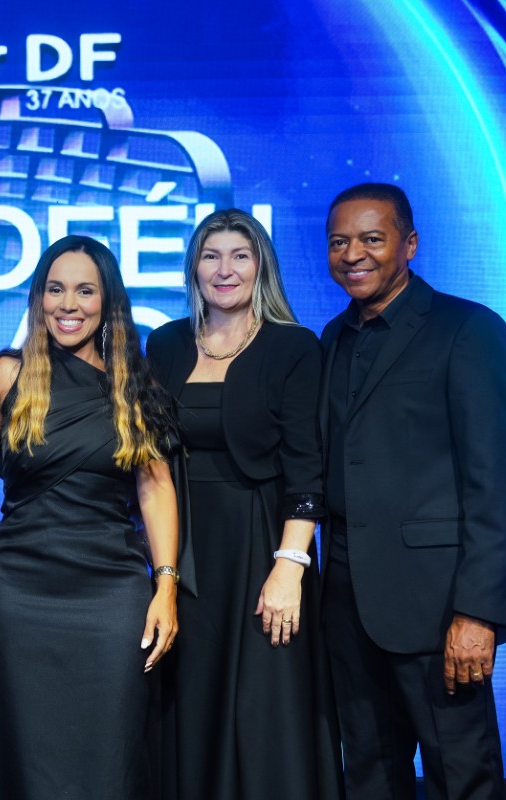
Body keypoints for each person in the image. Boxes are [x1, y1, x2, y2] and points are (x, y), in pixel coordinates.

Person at [319, 183, 506, 799]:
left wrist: (478, 612)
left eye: (371, 239)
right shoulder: (331, 338)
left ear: (409, 244)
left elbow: (498, 483)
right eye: (338, 242)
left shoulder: (468, 330)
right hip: (349, 608)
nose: (353, 254)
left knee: (461, 778)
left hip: (439, 610)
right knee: (369, 776)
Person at [0, 234, 179, 799]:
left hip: (110, 591)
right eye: (55, 289)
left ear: (108, 302)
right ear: (38, 298)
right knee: (20, 746)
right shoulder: (6, 376)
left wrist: (166, 586)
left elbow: (156, 489)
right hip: (18, 589)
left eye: (85, 291)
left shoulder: (134, 385)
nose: (68, 304)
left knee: (106, 746)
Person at [145, 209, 343, 799]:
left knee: (265, 708)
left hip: (263, 549)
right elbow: (150, 460)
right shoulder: (166, 343)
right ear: (194, 268)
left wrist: (290, 566)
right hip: (184, 549)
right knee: (190, 702)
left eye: (240, 256)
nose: (224, 270)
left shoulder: (292, 346)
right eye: (211, 256)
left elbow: (307, 468)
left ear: (261, 267)